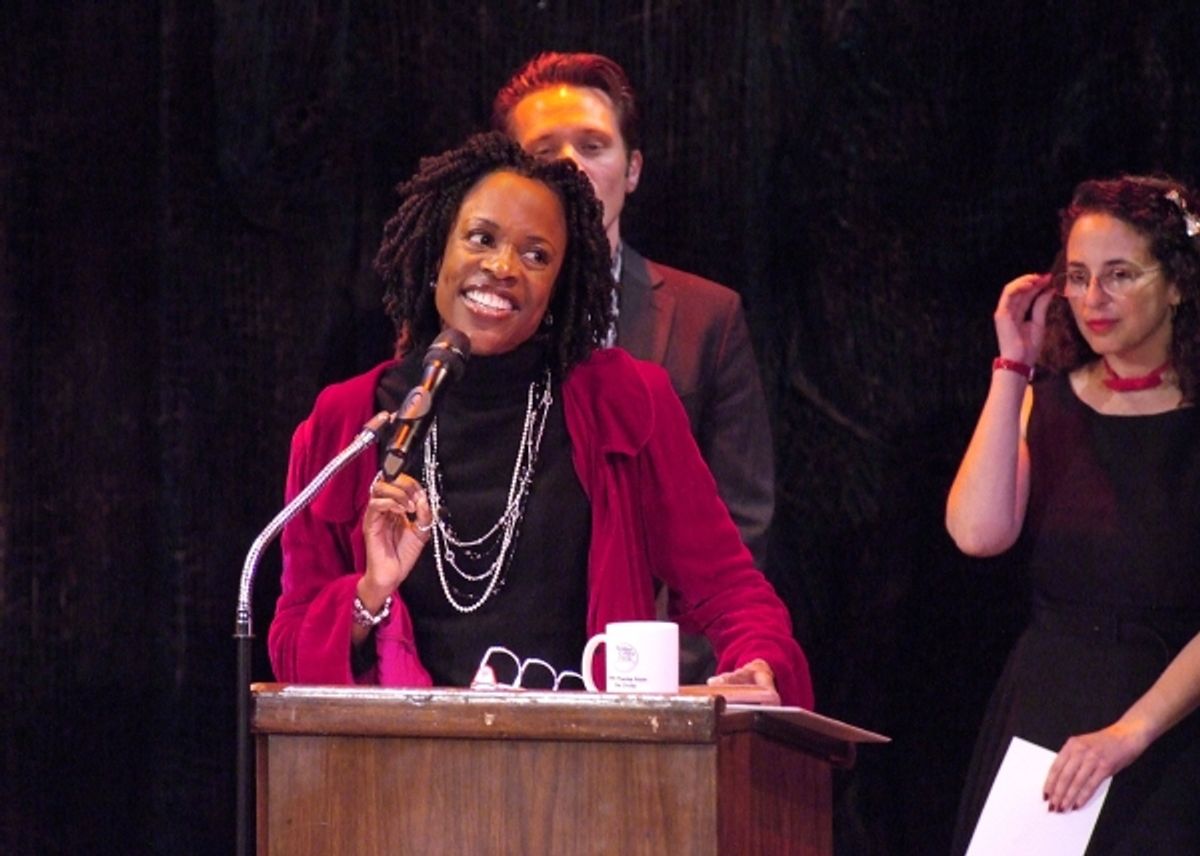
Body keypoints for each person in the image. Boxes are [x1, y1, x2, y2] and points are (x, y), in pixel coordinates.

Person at [267, 131, 814, 709]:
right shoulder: (350, 424)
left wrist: (759, 661)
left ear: (556, 289)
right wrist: (369, 593)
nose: (502, 266)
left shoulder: (622, 402)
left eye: (536, 255)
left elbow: (728, 589)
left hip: (584, 773)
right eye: (481, 238)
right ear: (437, 255)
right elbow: (292, 648)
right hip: (403, 778)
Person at [492, 51, 776, 681]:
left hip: (653, 681)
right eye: (545, 151)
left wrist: (665, 679)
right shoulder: (471, 322)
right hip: (501, 666)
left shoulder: (708, 318)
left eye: (594, 145)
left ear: (633, 169)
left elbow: (737, 527)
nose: (571, 166)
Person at [945, 174, 1200, 854]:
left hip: (1168, 729)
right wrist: (1012, 367)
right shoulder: (1049, 402)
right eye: (1080, 276)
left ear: (1176, 283)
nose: (1094, 299)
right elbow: (977, 532)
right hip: (1047, 719)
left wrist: (1129, 734)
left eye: (1120, 275)